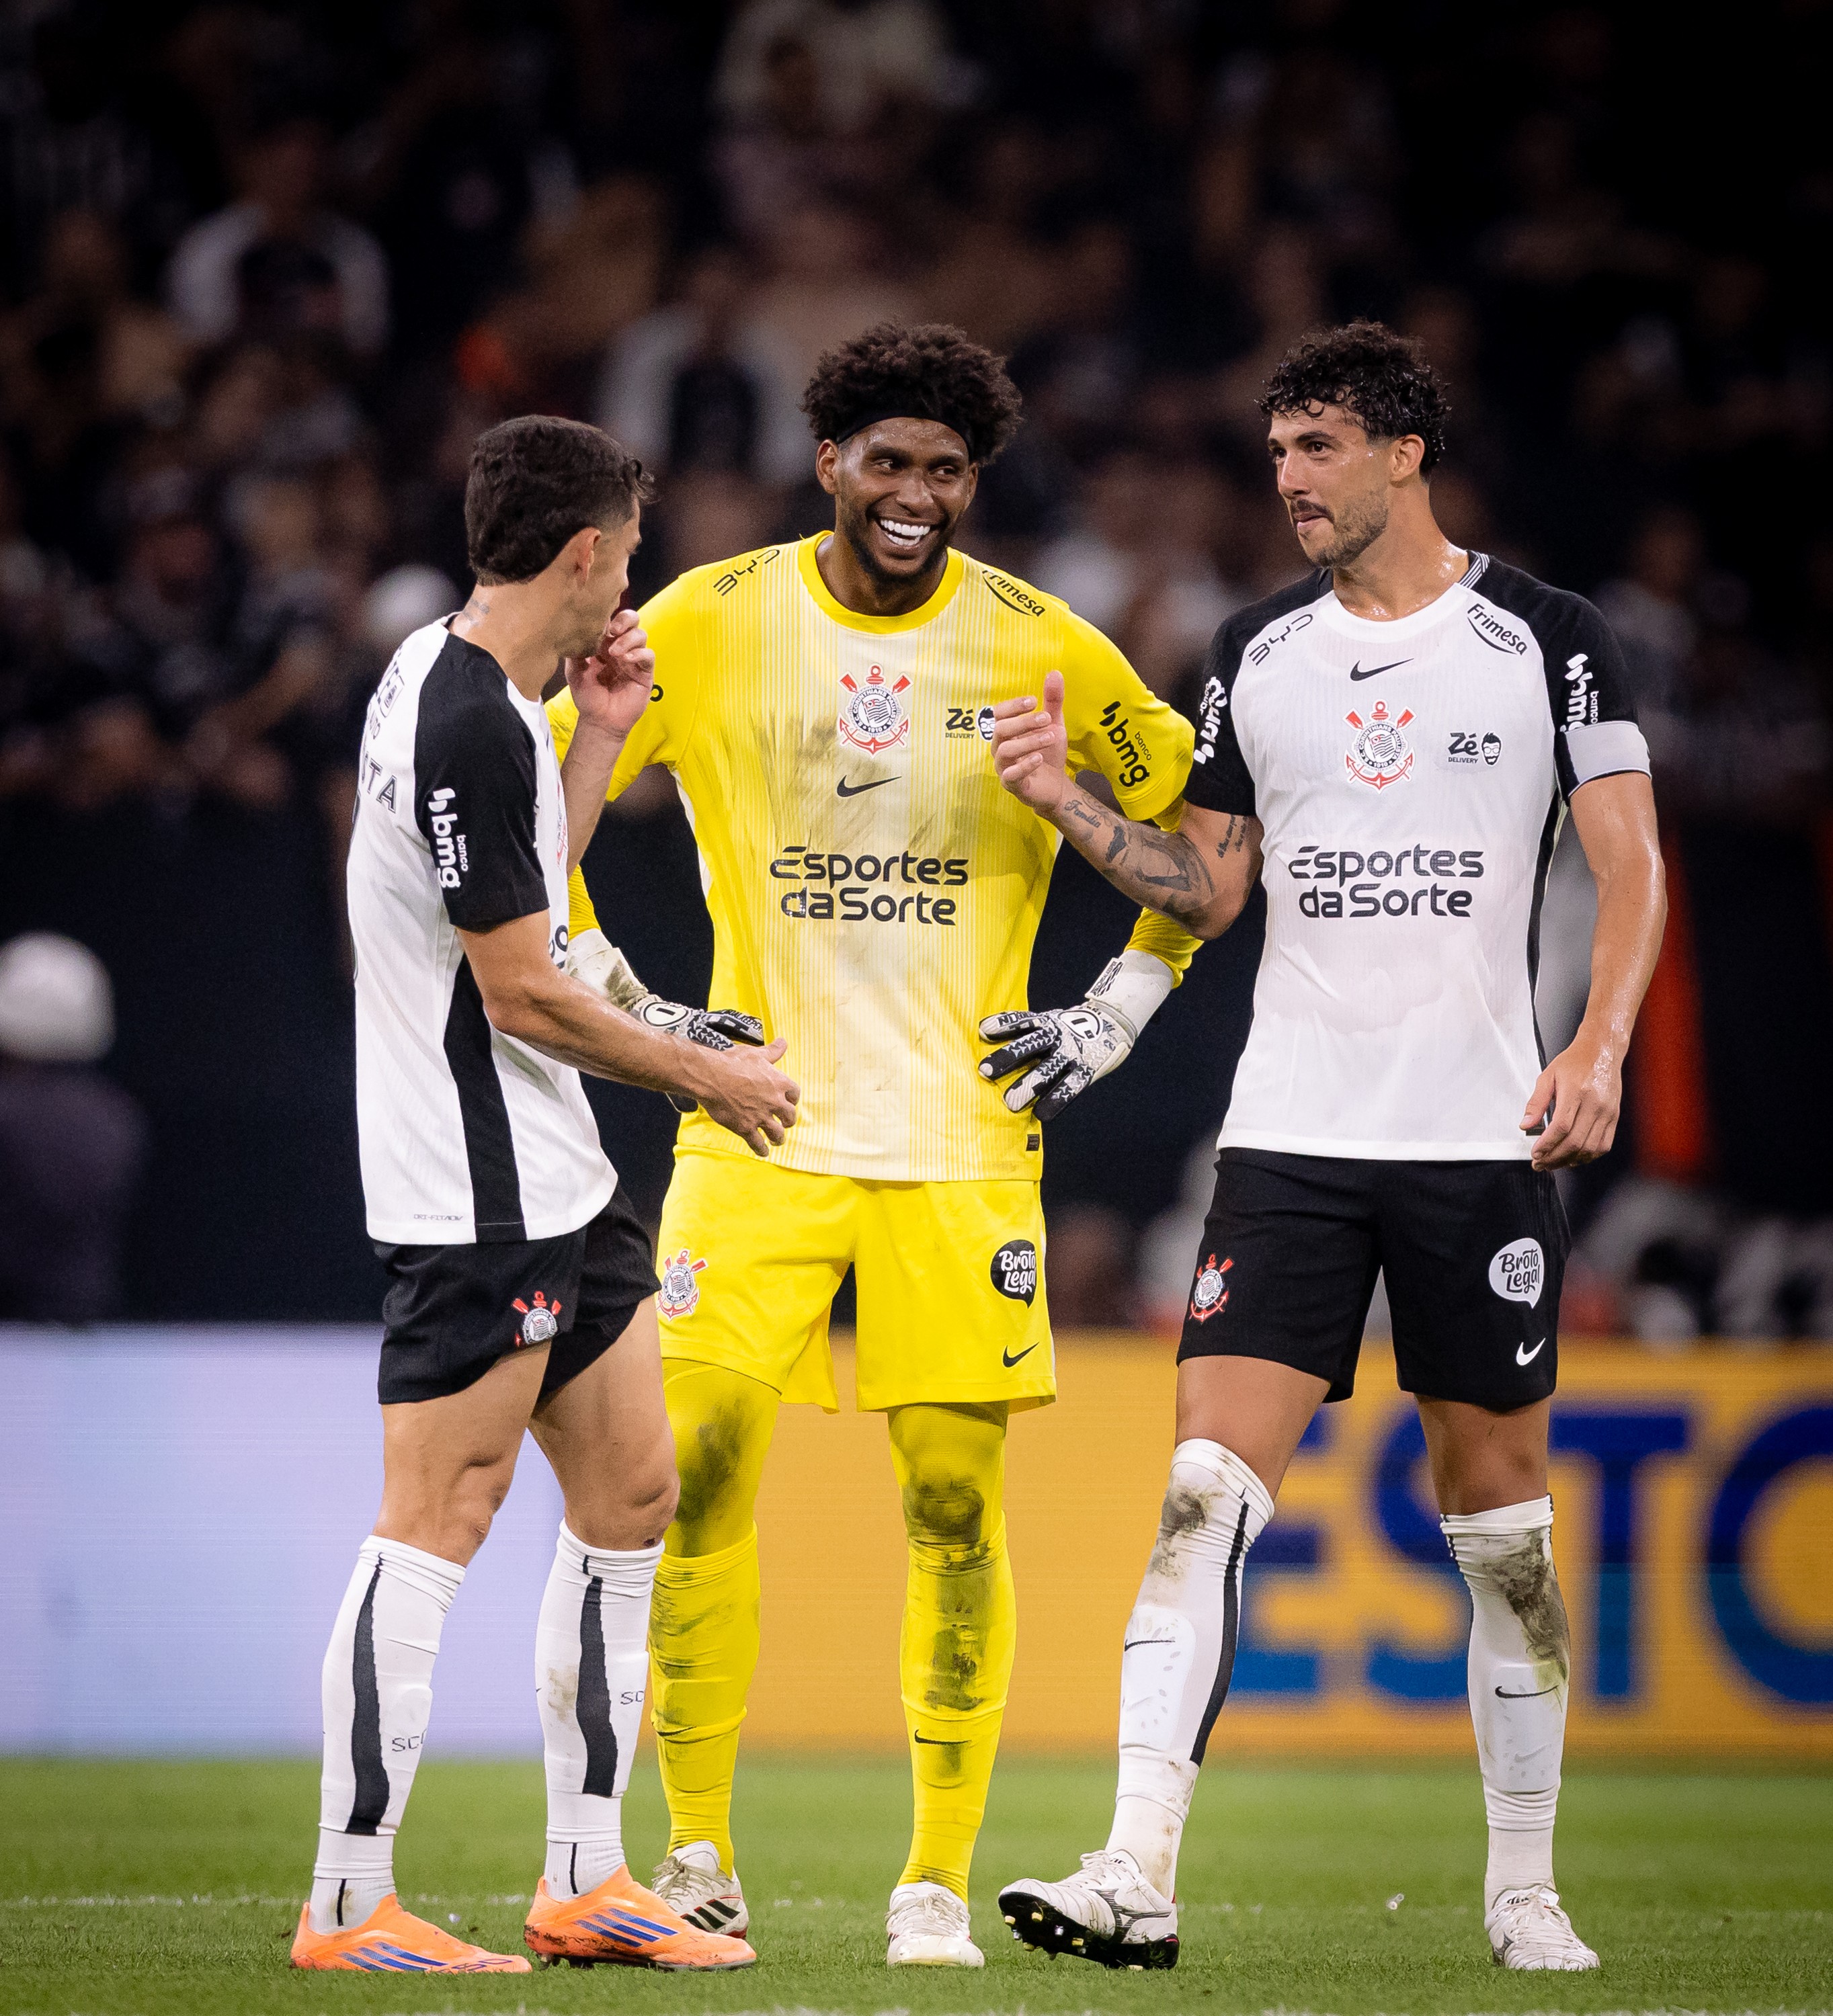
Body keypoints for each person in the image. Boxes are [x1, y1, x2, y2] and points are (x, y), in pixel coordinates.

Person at [990, 322, 1665, 1974]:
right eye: (1277, 449)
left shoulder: (1546, 640)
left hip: (1473, 1142)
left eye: (1317, 447)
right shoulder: (1255, 652)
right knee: (1199, 1495)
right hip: (1288, 1137)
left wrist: (1596, 1048)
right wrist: (1069, 802)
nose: (1286, 477)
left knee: (1500, 1538)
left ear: (1403, 453)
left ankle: (1522, 1889)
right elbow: (1208, 887)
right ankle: (1134, 1866)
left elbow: (1630, 864)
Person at [549, 322, 1203, 1966]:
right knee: (691, 1476)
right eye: (889, 461)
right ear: (829, 461)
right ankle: (696, 1852)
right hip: (753, 1128)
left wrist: (1114, 1005)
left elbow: (1204, 855)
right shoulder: (706, 617)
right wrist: (642, 1013)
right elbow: (535, 818)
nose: (916, 493)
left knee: (951, 1503)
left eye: (947, 469)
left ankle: (931, 1880)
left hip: (961, 1147)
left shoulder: (1043, 647)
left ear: (973, 484)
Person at [290, 415, 799, 1974]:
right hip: (475, 1189)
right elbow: (517, 989)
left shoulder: (478, 695)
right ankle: (346, 1902)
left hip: (557, 1176)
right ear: (583, 553)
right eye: (627, 559)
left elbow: (519, 893)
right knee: (436, 1517)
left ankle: (585, 1879)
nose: (629, 586)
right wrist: (703, 1075)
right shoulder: (457, 715)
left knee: (632, 1494)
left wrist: (598, 741)